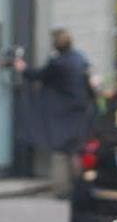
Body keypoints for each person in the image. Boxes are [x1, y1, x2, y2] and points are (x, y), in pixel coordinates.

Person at [11, 29, 97, 195]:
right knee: (76, 150)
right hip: (80, 112)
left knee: (61, 151)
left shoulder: (58, 63)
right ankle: (80, 188)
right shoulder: (79, 58)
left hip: (63, 114)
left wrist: (22, 68)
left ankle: (63, 189)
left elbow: (39, 75)